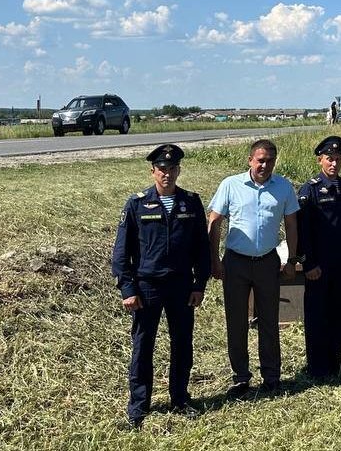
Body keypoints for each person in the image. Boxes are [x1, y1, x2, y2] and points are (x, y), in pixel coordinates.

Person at [111, 144, 210, 429]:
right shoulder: (137, 204)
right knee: (143, 347)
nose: (167, 174)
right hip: (147, 287)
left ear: (179, 170)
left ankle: (180, 398)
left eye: (172, 169)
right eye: (162, 169)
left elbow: (201, 249)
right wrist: (128, 289)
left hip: (181, 286)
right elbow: (121, 251)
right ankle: (138, 407)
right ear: (153, 171)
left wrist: (199, 284)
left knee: (182, 345)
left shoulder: (191, 203)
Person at [207, 138, 299, 398]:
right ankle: (241, 377)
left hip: (268, 262)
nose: (264, 165)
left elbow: (292, 225)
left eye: (270, 160)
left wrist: (292, 260)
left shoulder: (283, 187)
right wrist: (214, 259)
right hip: (236, 262)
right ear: (250, 160)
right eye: (260, 160)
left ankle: (271, 377)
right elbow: (215, 222)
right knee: (236, 322)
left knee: (269, 321)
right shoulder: (231, 185)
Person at [296, 135, 341, 378]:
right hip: (317, 266)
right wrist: (308, 262)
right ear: (320, 160)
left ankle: (336, 360)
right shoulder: (309, 189)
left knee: (338, 315)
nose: (334, 163)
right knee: (317, 315)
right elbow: (302, 230)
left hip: (339, 263)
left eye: (338, 159)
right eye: (329, 159)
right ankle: (317, 366)